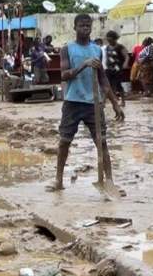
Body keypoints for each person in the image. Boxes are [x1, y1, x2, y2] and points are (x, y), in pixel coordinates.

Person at [50, 14, 125, 191]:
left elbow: (103, 79)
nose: (85, 28)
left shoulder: (97, 50)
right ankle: (59, 181)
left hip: (94, 102)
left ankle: (109, 181)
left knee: (102, 142)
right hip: (73, 101)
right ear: (75, 28)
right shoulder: (67, 48)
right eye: (82, 25)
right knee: (64, 141)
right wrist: (83, 65)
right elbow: (64, 74)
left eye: (88, 25)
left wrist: (115, 103)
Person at [104, 30, 130, 107]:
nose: (109, 41)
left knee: (118, 85)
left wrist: (125, 63)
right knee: (107, 85)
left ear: (114, 39)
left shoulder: (120, 47)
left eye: (110, 39)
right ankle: (107, 101)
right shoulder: (107, 47)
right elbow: (107, 57)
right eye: (108, 40)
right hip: (109, 69)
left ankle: (122, 101)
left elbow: (126, 56)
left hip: (118, 69)